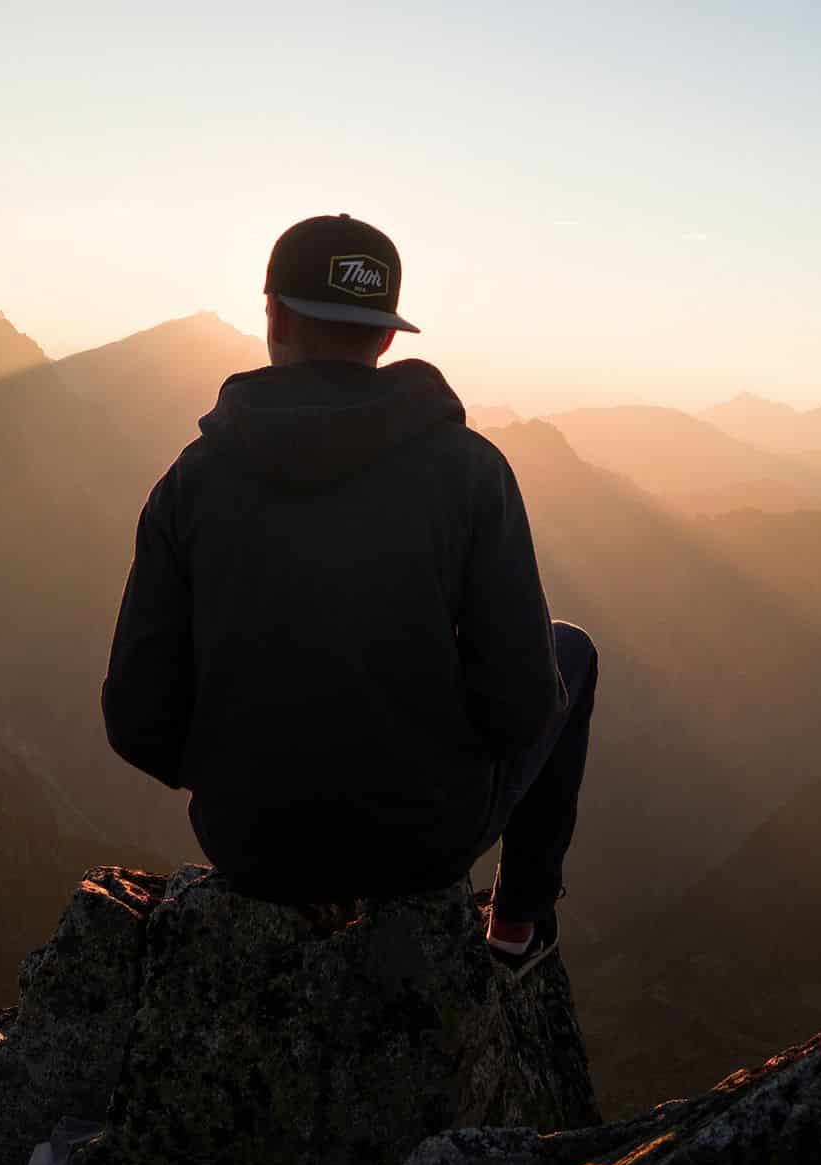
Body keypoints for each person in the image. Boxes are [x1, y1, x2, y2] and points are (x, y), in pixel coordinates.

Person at [102, 213, 596, 975]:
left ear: (272, 315)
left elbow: (137, 719)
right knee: (573, 651)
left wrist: (253, 776)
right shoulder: (471, 474)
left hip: (252, 845)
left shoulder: (191, 484)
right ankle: (516, 929)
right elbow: (526, 702)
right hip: (424, 840)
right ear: (388, 337)